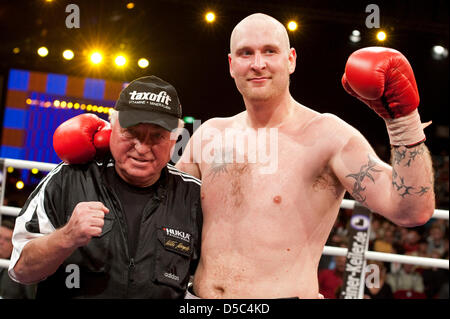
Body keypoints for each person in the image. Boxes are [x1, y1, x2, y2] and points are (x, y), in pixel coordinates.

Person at [56, 13, 435, 299]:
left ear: (291, 59)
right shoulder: (209, 135)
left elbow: (411, 211)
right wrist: (109, 146)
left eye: (269, 51)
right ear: (231, 64)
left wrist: (403, 123)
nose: (257, 63)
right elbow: (160, 202)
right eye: (246, 53)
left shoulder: (327, 135)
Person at [8, 76, 202, 298]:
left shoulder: (193, 197)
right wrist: (66, 237)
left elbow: (210, 282)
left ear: (175, 139)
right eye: (132, 133)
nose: (141, 148)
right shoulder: (69, 178)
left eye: (157, 136)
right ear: (111, 128)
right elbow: (21, 270)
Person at [0, 218, 36, 299]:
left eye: (7, 239)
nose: (1, 242)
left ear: (14, 245)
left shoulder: (21, 271)